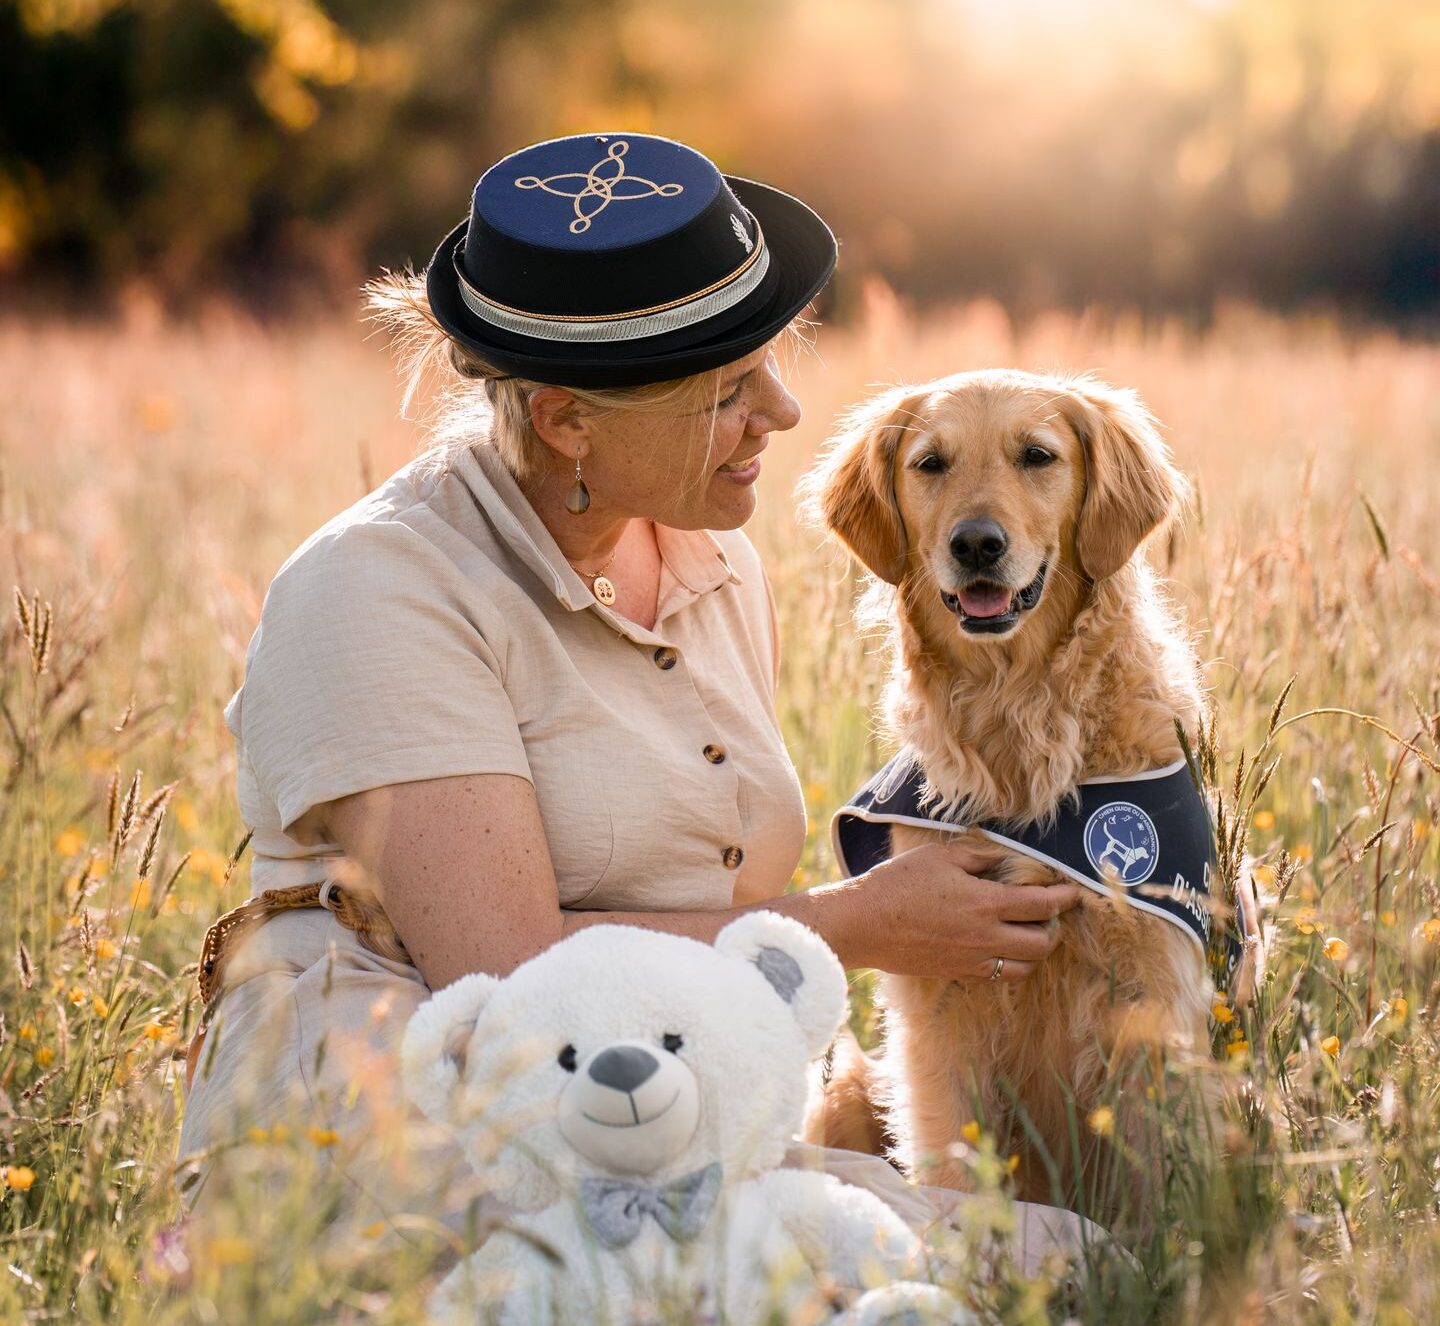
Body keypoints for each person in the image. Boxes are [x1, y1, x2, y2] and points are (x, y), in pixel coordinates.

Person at [177, 132, 1084, 1259]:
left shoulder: (712, 556)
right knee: (1033, 1274)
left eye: (773, 362)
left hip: (650, 1107)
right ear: (567, 420)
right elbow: (510, 969)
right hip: (419, 1119)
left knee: (1075, 1261)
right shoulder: (378, 589)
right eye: (729, 391)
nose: (784, 411)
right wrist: (856, 924)